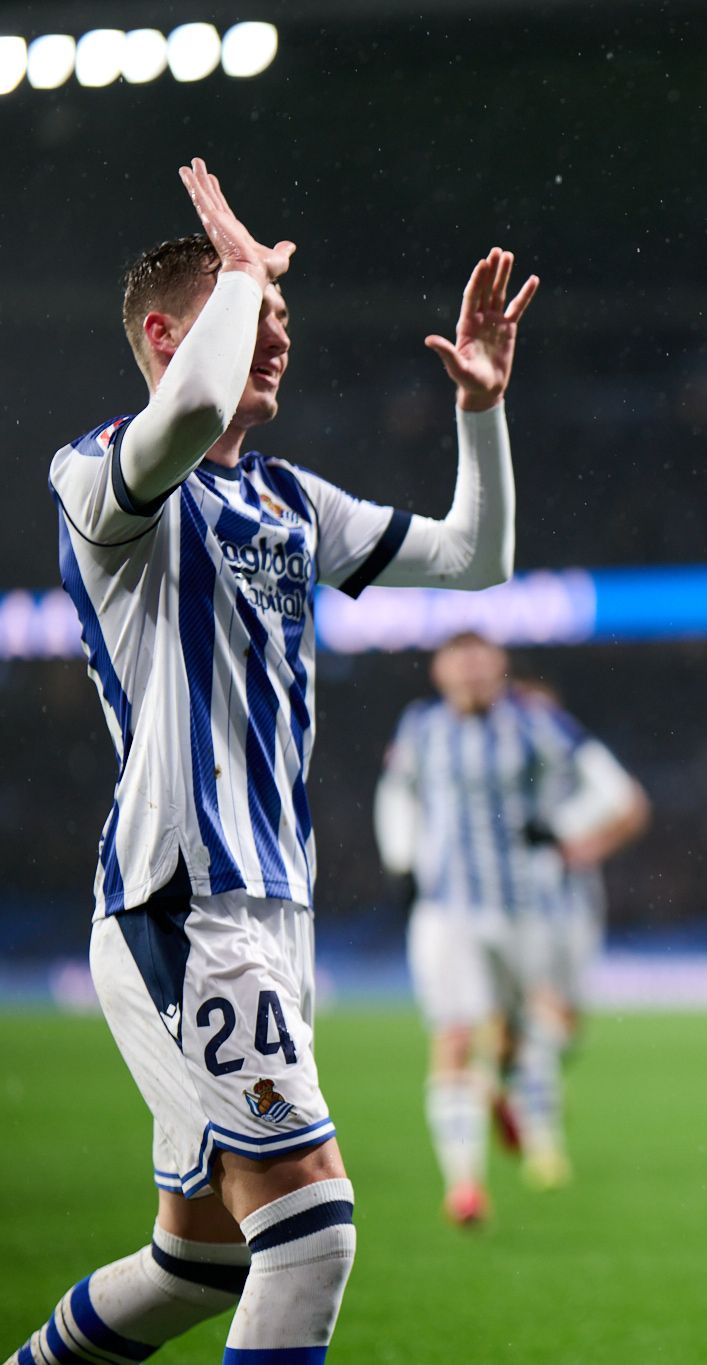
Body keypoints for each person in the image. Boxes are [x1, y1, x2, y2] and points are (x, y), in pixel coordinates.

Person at [18, 160, 536, 1365]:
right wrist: (246, 274)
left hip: (271, 911)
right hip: (178, 904)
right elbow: (187, 416)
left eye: (283, 319)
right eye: (250, 315)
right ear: (163, 333)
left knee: (198, 1263)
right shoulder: (100, 476)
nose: (277, 337)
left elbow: (476, 561)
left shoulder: (290, 502)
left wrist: (481, 412)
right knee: (311, 1238)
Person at [374, 638, 647, 1222]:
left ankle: (525, 1121)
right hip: (448, 910)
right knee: (453, 1034)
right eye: (459, 664)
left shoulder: (538, 725)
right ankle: (466, 1185)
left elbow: (618, 794)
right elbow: (395, 793)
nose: (471, 675)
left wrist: (566, 832)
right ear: (439, 671)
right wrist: (402, 862)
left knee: (539, 1032)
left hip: (529, 908)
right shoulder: (421, 728)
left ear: (501, 668)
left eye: (480, 663)